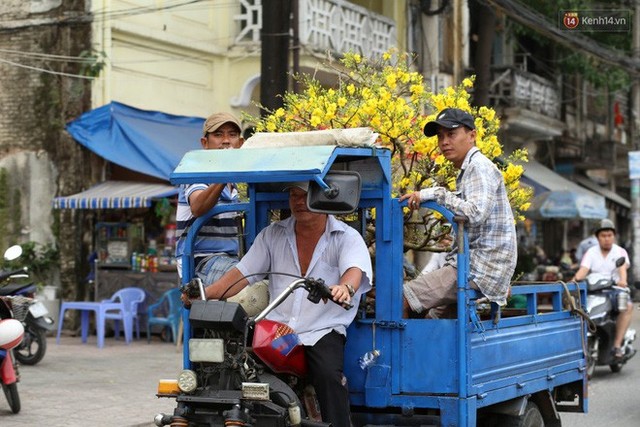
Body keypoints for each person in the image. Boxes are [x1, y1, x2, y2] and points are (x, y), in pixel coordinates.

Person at [184, 182, 372, 427]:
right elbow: (243, 273)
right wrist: (206, 294)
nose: (298, 201)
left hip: (321, 330)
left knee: (328, 376)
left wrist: (344, 288)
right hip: (276, 330)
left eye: (306, 196)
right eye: (294, 195)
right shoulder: (273, 234)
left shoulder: (346, 237)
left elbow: (353, 271)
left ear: (323, 198)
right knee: (234, 365)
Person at [400, 108, 517, 318]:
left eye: (451, 134)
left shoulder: (478, 167)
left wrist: (437, 193)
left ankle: (394, 351)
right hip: (474, 266)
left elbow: (475, 213)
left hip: (477, 268)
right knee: (434, 318)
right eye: (441, 136)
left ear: (472, 135)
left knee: (401, 299)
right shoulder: (470, 168)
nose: (444, 142)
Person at [175, 112, 244, 283]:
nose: (226, 141)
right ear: (204, 143)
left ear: (241, 143)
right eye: (218, 135)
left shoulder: (239, 185)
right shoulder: (196, 170)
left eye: (232, 135)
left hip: (230, 260)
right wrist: (225, 173)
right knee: (246, 279)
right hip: (199, 261)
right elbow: (198, 207)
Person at [572, 219, 632, 359]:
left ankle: (617, 346)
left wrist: (623, 281)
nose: (607, 239)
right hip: (595, 289)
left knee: (627, 306)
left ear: (614, 236)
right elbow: (583, 270)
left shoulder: (620, 252)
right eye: (603, 236)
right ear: (597, 237)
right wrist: (572, 282)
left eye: (609, 235)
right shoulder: (591, 252)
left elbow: (622, 269)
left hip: (614, 290)